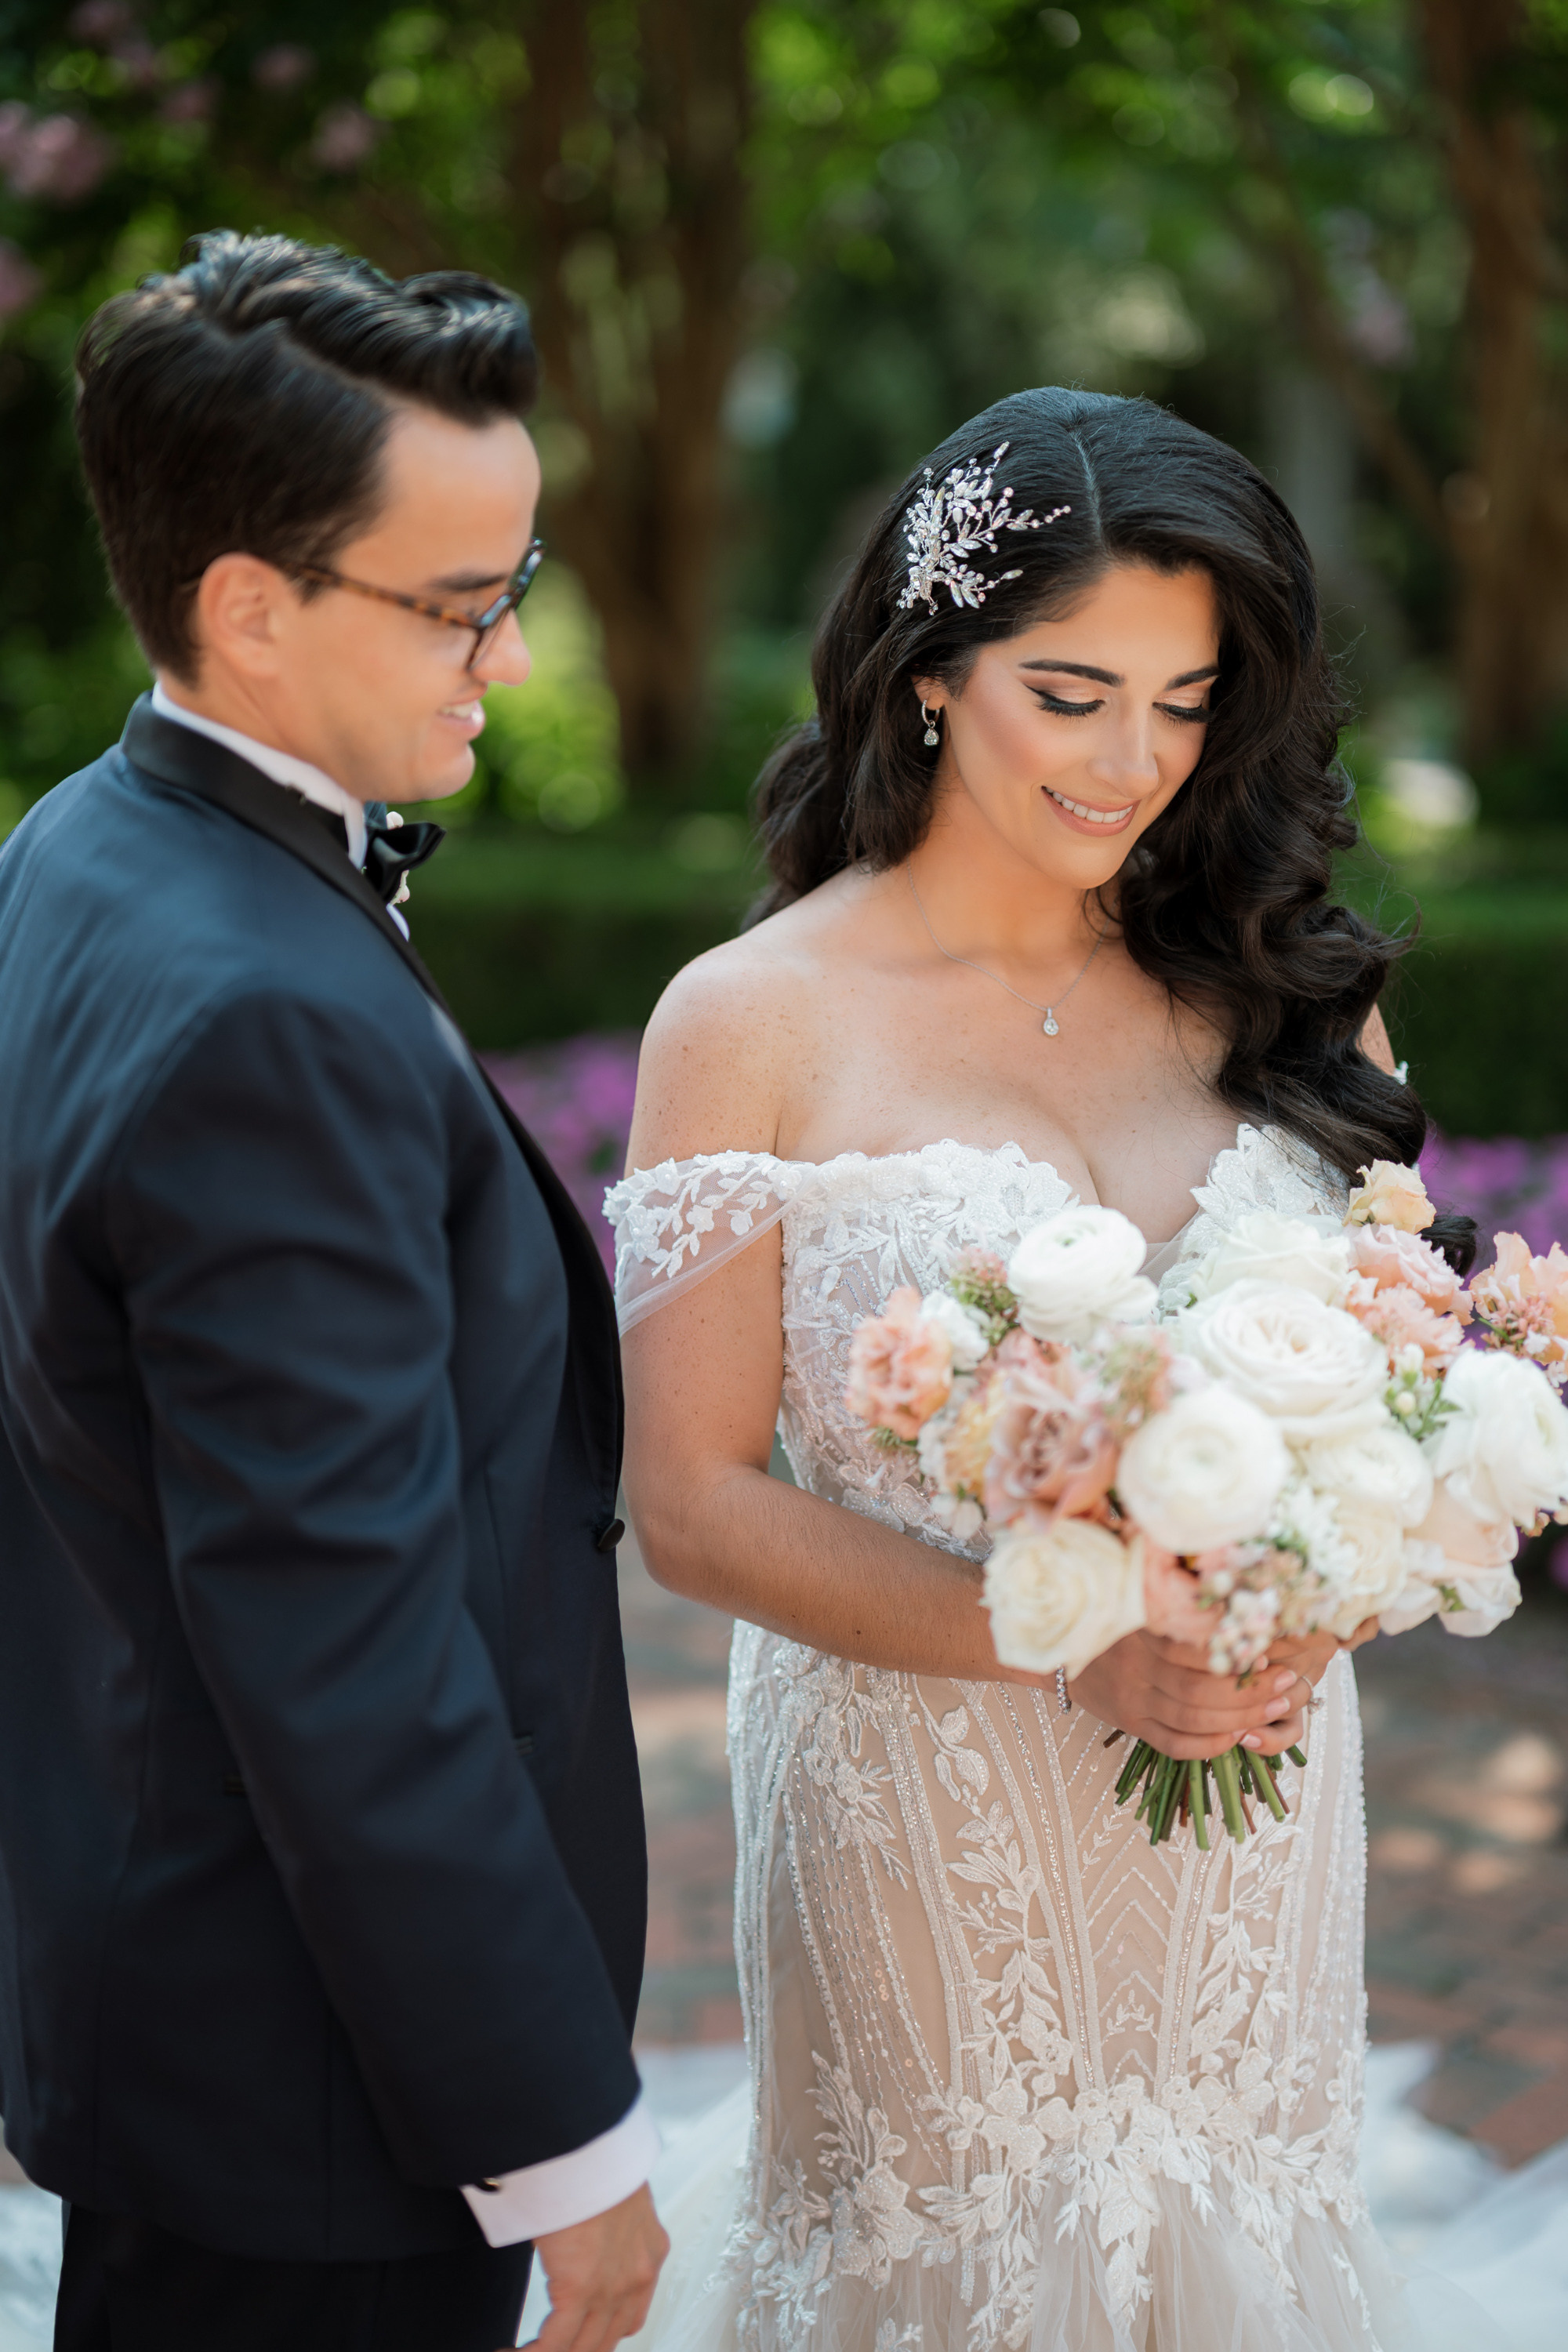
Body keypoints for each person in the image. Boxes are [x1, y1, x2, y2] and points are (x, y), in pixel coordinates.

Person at [603, 389, 1512, 2349]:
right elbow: (687, 1504)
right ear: (929, 675)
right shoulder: (748, 1021)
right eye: (1071, 690)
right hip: (918, 1810)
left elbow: (1380, 1386)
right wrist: (1079, 1646)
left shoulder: (1286, 981)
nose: (1135, 762)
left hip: (1256, 1797)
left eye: (1187, 702)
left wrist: (1314, 1591)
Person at [0, 231, 666, 2351]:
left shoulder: (79, 847)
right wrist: (563, 2143)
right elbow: (348, 1658)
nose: (516, 661)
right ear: (246, 606)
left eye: (516, 589)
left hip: (175, 1986)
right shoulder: (256, 1018)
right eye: (467, 607)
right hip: (320, 2099)